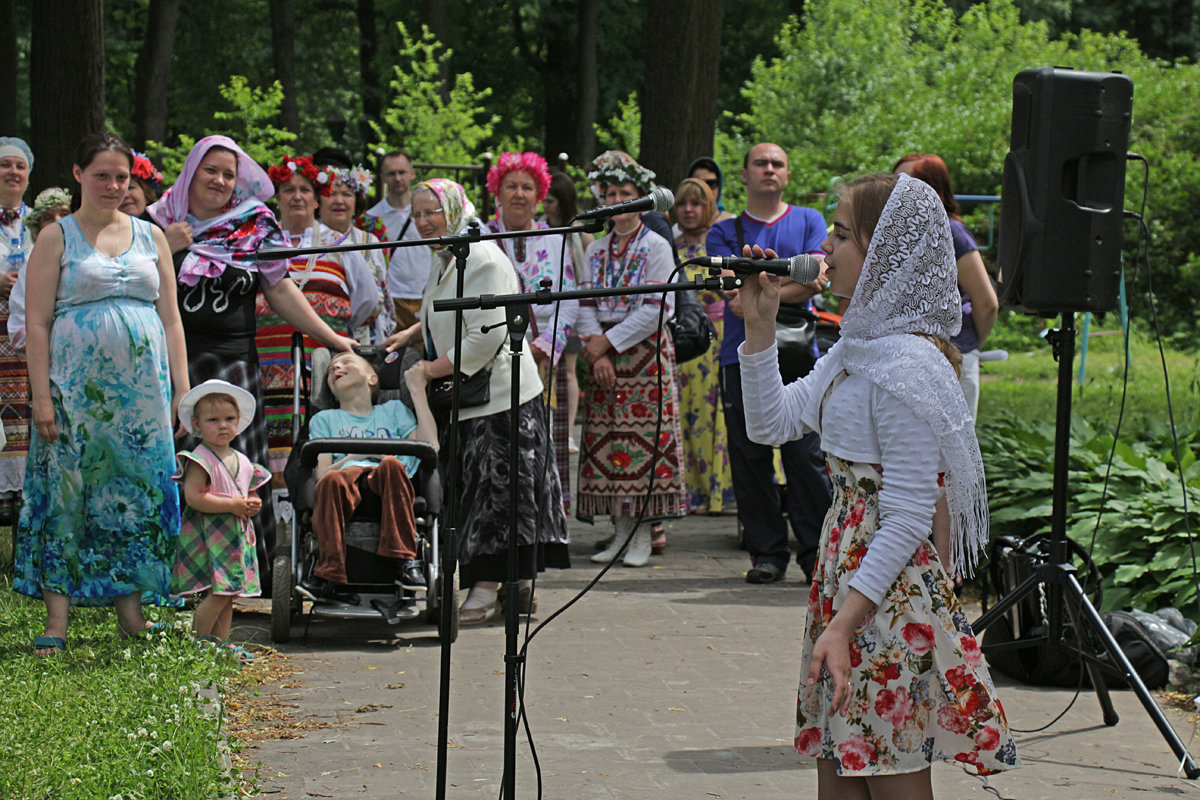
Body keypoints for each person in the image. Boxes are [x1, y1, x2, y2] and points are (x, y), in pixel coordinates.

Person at [738, 172, 1019, 796]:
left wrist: (845, 622)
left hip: (885, 600)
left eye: (840, 235)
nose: (825, 249)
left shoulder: (907, 369)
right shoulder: (854, 350)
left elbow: (910, 516)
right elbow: (771, 425)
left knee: (889, 775)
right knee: (839, 769)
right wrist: (759, 329)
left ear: (884, 251)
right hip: (844, 580)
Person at [146, 135, 357, 583]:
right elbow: (133, 282)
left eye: (229, 174)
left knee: (233, 474)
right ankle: (171, 580)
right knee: (177, 471)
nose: (220, 180)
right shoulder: (157, 222)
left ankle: (237, 579)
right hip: (169, 369)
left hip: (234, 369)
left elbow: (280, 289)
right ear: (191, 171)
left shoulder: (255, 224)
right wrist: (165, 244)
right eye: (211, 170)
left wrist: (332, 338)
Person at [17, 132, 190, 655]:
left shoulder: (151, 235)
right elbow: (38, 323)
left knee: (134, 497)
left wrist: (183, 392)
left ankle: (132, 614)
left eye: (122, 177)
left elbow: (172, 320)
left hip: (143, 400)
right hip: (75, 395)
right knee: (69, 494)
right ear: (77, 175)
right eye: (102, 176)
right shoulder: (56, 237)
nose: (113, 186)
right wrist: (42, 397)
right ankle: (56, 620)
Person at [384, 179, 569, 625]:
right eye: (419, 215)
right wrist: (413, 333)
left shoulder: (481, 256)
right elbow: (443, 308)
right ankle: (514, 588)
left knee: (499, 498)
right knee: (489, 496)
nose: (425, 222)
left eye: (433, 212)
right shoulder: (447, 252)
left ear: (453, 210)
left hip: (500, 401)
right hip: (472, 398)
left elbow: (483, 340)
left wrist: (427, 370)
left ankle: (486, 594)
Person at [707, 142, 832, 585]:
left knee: (806, 456)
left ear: (788, 174)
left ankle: (817, 554)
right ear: (743, 174)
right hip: (740, 358)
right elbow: (730, 292)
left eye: (778, 163)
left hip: (800, 355)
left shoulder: (810, 220)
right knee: (749, 456)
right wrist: (781, 283)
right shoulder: (724, 230)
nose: (769, 169)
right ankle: (767, 554)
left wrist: (764, 294)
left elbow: (820, 275)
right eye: (760, 163)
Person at [576, 151, 686, 567]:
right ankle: (618, 533)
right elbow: (584, 299)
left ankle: (641, 533)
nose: (618, 201)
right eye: (610, 194)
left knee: (644, 444)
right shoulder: (597, 249)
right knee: (610, 444)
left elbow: (659, 307)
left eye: (626, 193)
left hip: (645, 355)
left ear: (640, 198)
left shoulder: (656, 245)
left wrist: (608, 343)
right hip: (606, 351)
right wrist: (595, 346)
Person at [257, 153, 380, 473]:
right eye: (288, 190)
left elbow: (366, 301)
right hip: (268, 368)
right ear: (277, 198)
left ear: (315, 199)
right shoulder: (261, 245)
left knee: (319, 440)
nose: (296, 196)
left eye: (304, 190)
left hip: (323, 366)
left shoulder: (339, 245)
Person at [301, 350, 438, 597]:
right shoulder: (324, 419)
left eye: (346, 362)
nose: (336, 368)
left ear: (372, 378)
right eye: (332, 367)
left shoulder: (394, 410)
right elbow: (321, 474)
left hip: (388, 483)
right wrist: (353, 456)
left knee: (392, 465)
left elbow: (431, 448)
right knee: (332, 479)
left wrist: (417, 392)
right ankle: (326, 570)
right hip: (342, 482)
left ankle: (404, 561)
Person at [486, 151, 577, 512]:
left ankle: (546, 520)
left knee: (543, 445)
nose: (519, 194)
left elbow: (569, 299)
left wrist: (544, 346)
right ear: (498, 191)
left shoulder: (555, 238)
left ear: (540, 194)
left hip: (542, 360)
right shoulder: (482, 239)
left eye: (528, 187)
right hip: (493, 360)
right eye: (511, 186)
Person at [893, 154, 998, 419]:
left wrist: (969, 346)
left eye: (908, 183)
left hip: (950, 360)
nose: (897, 191)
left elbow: (986, 302)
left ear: (933, 188)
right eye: (893, 183)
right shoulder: (893, 234)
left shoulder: (952, 231)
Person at [171, 380, 271, 650]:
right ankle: (200, 641)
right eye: (213, 420)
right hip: (209, 535)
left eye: (229, 419)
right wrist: (231, 506)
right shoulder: (200, 458)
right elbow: (194, 497)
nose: (222, 425)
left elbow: (247, 490)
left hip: (234, 537)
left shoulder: (242, 459)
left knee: (228, 594)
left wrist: (252, 502)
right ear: (197, 424)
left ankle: (220, 642)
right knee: (217, 593)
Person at [672, 177, 735, 516]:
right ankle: (688, 492)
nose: (689, 209)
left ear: (710, 207)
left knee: (718, 418)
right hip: (686, 343)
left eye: (697, 203)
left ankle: (719, 491)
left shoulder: (720, 243)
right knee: (687, 417)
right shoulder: (669, 247)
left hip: (720, 337)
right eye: (683, 203)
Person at [312, 150, 394, 344]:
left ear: (356, 201)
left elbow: (381, 295)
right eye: (331, 194)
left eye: (347, 194)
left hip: (360, 339)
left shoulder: (369, 240)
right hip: (313, 333)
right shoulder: (307, 239)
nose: (339, 201)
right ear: (318, 200)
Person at [541, 169, 593, 454]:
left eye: (550, 200)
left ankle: (569, 430)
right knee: (546, 369)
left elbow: (589, 268)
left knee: (569, 370)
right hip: (546, 309)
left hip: (572, 306)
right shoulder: (538, 228)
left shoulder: (580, 231)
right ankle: (547, 425)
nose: (545, 206)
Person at [0, 137, 33, 517]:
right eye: (5, 165)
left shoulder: (43, 222)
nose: (13, 172)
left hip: (28, 341)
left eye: (19, 166)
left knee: (26, 429)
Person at [367, 150, 430, 332]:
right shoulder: (372, 218)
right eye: (391, 173)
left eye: (402, 172)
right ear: (382, 177)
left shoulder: (429, 211)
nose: (397, 178)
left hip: (425, 295)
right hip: (390, 298)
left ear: (412, 174)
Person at [686, 156, 734, 226]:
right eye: (698, 183)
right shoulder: (678, 230)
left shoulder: (734, 225)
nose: (705, 189)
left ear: (719, 187)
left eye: (711, 184)